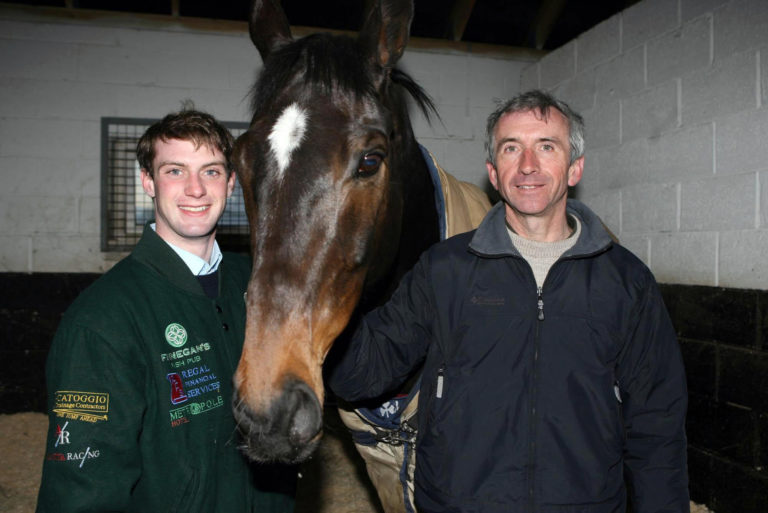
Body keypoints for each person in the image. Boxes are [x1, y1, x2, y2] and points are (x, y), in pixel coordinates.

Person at [329, 90, 689, 513]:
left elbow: (657, 425)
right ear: (494, 174)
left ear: (575, 168)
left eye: (547, 147)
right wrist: (327, 295)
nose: (528, 165)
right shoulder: (444, 269)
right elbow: (363, 374)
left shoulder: (626, 281)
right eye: (511, 148)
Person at [36, 108, 296, 512]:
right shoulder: (102, 319)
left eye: (211, 171)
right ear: (148, 182)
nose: (196, 189)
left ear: (231, 183)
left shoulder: (259, 285)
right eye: (175, 171)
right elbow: (82, 489)